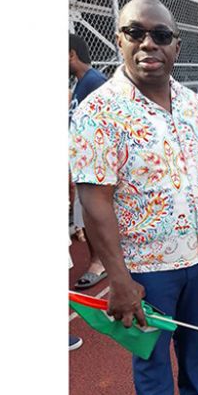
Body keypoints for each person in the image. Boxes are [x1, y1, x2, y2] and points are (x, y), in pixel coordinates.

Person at [68, 0, 198, 395]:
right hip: (145, 267)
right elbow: (94, 201)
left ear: (176, 45)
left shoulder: (191, 102)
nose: (148, 43)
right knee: (150, 351)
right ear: (119, 39)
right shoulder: (98, 112)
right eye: (135, 32)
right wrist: (118, 279)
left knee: (194, 338)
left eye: (160, 35)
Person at [69, 33, 108, 290]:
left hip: (94, 164)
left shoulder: (95, 82)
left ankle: (99, 262)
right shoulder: (80, 83)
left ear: (71, 54)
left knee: (92, 214)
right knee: (85, 215)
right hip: (82, 162)